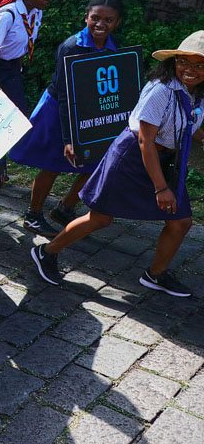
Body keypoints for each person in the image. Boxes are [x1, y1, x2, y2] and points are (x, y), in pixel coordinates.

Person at [32, 31, 204, 297]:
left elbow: (188, 125)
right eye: (184, 62)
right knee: (100, 218)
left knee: (180, 222)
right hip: (133, 157)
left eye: (199, 65)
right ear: (174, 62)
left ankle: (155, 274)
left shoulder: (197, 94)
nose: (190, 70)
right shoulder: (161, 90)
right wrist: (160, 188)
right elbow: (145, 140)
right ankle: (46, 252)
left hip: (167, 161)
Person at [11, 0, 125, 237]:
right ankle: (33, 215)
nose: (100, 24)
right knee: (54, 163)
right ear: (86, 17)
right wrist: (68, 138)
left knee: (96, 161)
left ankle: (66, 207)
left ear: (117, 22)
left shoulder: (115, 47)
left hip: (90, 110)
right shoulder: (71, 46)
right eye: (95, 18)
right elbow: (64, 95)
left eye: (108, 19)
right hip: (58, 111)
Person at [0, 0, 52, 114]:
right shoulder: (7, 15)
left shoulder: (37, 12)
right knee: (13, 114)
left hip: (14, 68)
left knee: (15, 114)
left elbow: (25, 43)